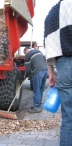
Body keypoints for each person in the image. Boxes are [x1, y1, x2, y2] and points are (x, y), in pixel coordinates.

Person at [44, 0, 72, 145]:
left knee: (68, 118)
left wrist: (51, 73)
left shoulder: (52, 13)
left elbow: (49, 47)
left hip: (64, 65)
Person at [24, 47, 47, 113]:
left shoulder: (27, 56)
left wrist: (25, 75)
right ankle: (38, 105)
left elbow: (28, 70)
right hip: (45, 71)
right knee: (40, 89)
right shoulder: (39, 51)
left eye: (25, 53)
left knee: (36, 90)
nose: (25, 54)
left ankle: (37, 107)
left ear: (26, 51)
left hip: (38, 72)